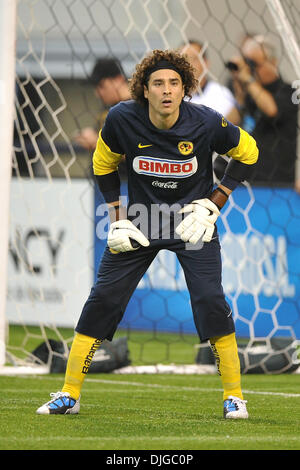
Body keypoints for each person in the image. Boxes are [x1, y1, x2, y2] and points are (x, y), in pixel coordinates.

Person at [36, 49, 259, 419]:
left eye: (174, 83)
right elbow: (102, 164)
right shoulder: (121, 118)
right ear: (144, 89)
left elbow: (250, 152)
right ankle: (69, 394)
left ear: (185, 88)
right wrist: (116, 216)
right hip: (141, 219)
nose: (167, 90)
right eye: (158, 83)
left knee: (210, 299)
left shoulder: (205, 122)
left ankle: (234, 396)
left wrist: (216, 201)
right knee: (103, 297)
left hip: (192, 221)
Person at [220, 34, 299, 188]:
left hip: (276, 185)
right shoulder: (246, 92)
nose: (250, 70)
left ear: (273, 62)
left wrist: (249, 80)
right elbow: (226, 125)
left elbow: (271, 110)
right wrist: (241, 98)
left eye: (254, 64)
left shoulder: (289, 92)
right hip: (241, 182)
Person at [74, 57, 131, 152]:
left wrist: (97, 143)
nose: (97, 93)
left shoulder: (137, 108)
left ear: (119, 80)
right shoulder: (109, 107)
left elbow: (137, 150)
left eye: (101, 86)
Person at [180, 40, 241, 125]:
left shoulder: (220, 93)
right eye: (184, 59)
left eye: (194, 59)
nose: (188, 64)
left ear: (206, 63)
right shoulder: (176, 98)